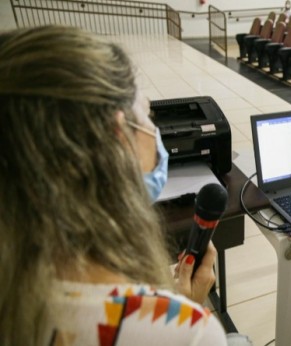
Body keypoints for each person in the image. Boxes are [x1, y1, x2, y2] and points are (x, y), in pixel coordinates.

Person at [0, 26, 228, 345]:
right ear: (120, 135)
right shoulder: (184, 331)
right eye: (147, 114)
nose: (154, 130)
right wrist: (185, 306)